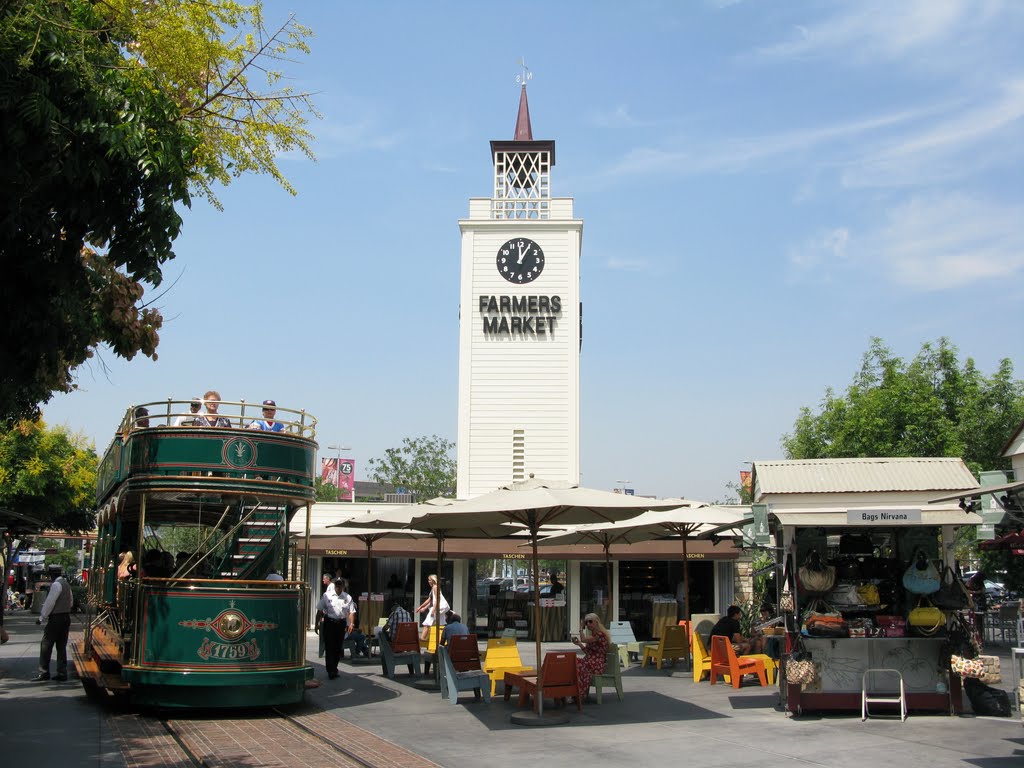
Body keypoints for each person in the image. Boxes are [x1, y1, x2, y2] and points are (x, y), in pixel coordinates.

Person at [32, 567, 73, 682]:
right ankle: (62, 672)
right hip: (66, 617)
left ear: (52, 575)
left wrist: (41, 617)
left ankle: (44, 672)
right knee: (61, 646)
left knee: (46, 644)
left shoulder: (56, 585)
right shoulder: (66, 584)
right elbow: (71, 602)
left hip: (56, 618)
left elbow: (50, 602)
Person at [316, 577, 355, 679]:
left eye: (340, 585)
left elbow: (351, 612)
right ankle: (330, 670)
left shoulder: (347, 597)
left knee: (338, 647)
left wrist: (351, 624)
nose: (338, 587)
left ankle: (334, 668)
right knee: (330, 647)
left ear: (343, 586)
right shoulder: (326, 596)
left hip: (341, 624)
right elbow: (320, 610)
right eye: (336, 585)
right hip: (330, 623)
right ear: (334, 585)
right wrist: (316, 624)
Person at [572, 613, 610, 696]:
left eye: (590, 621)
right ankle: (575, 693)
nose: (588, 624)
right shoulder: (593, 636)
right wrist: (579, 644)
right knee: (572, 663)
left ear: (596, 622)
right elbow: (588, 652)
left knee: (576, 665)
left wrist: (581, 628)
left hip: (596, 664)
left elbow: (584, 639)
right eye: (586, 623)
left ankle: (579, 694)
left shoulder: (600, 634)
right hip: (590, 661)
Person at [416, 573, 449, 642]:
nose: (428, 581)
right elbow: (430, 600)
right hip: (439, 608)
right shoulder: (434, 588)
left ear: (433, 580)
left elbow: (437, 599)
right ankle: (440, 640)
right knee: (440, 624)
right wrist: (421, 607)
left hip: (437, 608)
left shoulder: (435, 587)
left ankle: (422, 639)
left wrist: (433, 610)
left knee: (427, 624)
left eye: (429, 580)